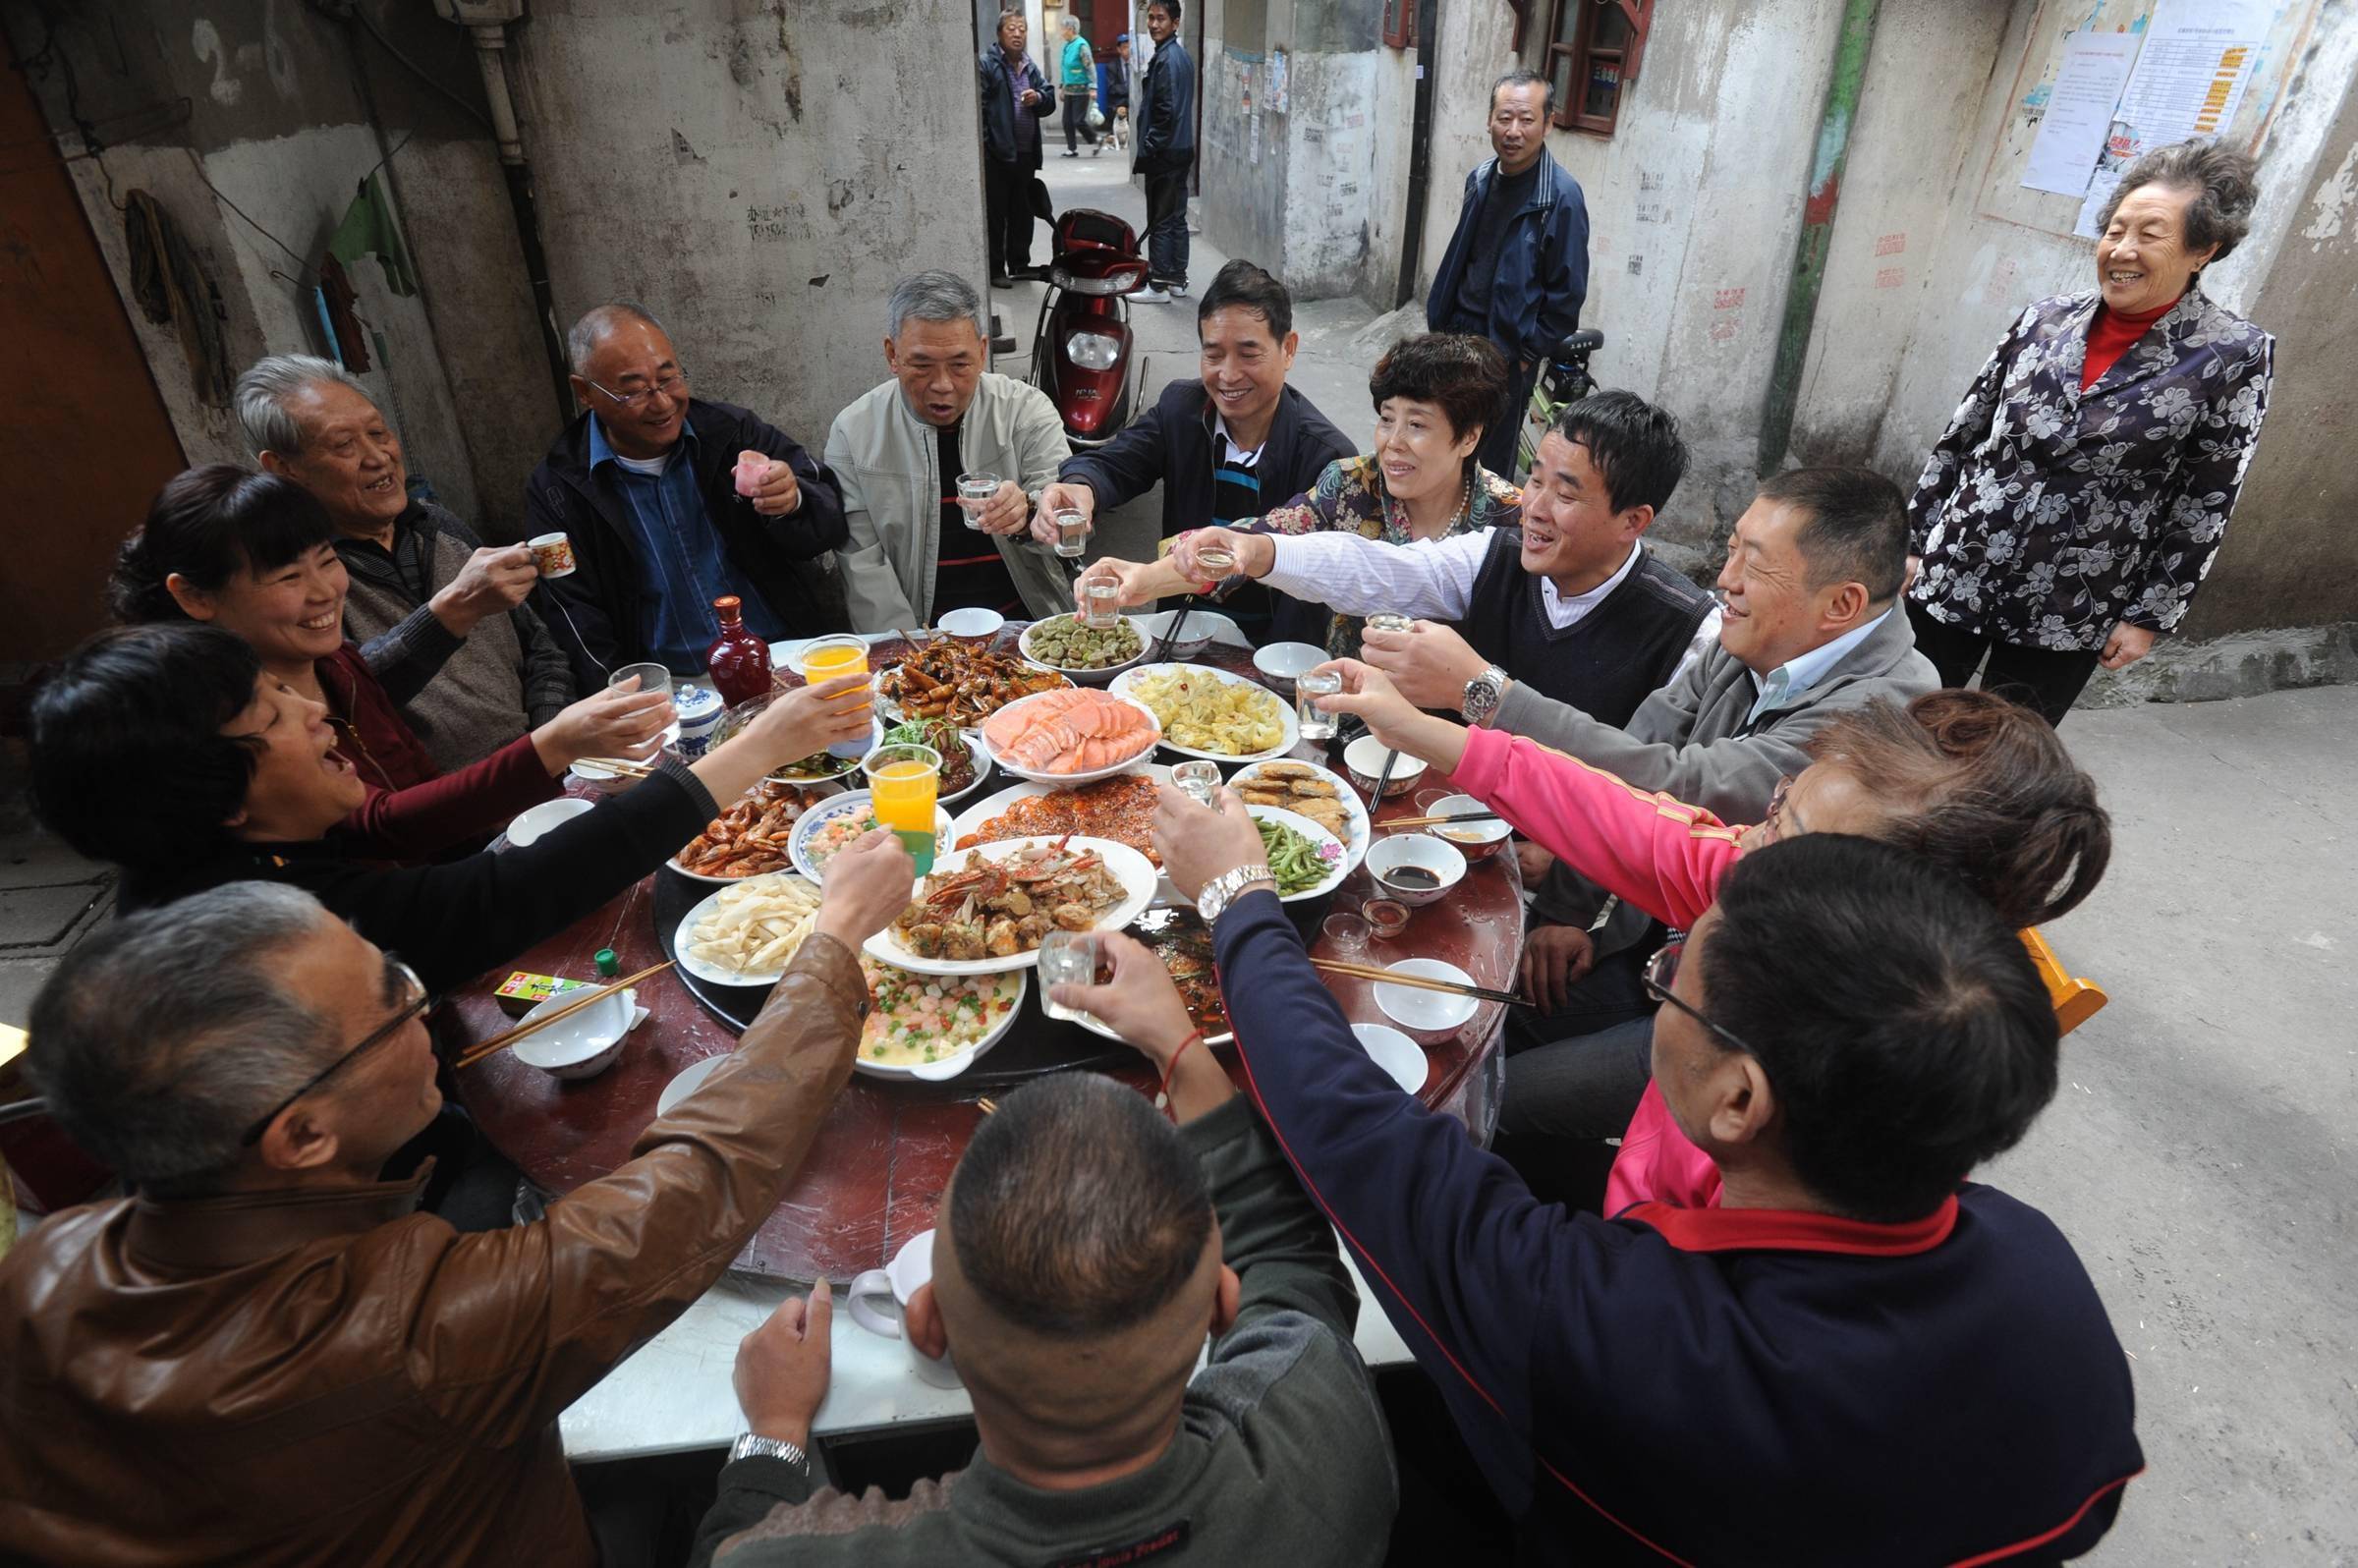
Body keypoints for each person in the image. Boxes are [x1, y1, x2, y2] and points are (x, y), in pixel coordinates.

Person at [1115, 794, 2143, 1562]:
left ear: (1738, 1101)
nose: (1661, 995)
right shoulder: (2047, 1284)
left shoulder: (1610, 1330)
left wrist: (1235, 894)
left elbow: (1351, 1129)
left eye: (1669, 986)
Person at [0, 836, 915, 1567]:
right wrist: (831, 939)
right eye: (395, 1001)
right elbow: (700, 1181)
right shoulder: (411, 1336)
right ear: (302, 1137)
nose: (423, 1002)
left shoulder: (47, 1257)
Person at [1323, 671, 2111, 1209]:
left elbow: (1655, 1289)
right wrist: (1425, 732)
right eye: (1776, 804)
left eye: (1785, 829)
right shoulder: (1772, 887)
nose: (1744, 838)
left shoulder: (1805, 1131)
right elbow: (1632, 823)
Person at [687, 1070, 1394, 1566]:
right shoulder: (1333, 1441)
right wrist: (1175, 1048)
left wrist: (773, 1437)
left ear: (928, 1324)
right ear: (1221, 1309)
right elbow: (1298, 1268)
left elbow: (732, 1547)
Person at [26, 621, 870, 993]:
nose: (316, 712)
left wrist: (554, 744)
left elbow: (394, 824)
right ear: (217, 799)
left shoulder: (222, 849)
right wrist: (758, 748)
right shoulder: (269, 935)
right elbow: (503, 897)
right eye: (275, 715)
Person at [113, 465, 670, 866]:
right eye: (287, 577)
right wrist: (554, 744)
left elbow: (417, 782)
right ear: (195, 597)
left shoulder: (338, 663)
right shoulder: (222, 717)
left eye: (328, 562)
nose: (324, 592)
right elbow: (376, 828)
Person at [1908, 138, 2273, 726]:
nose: (2122, 250)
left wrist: (2150, 615)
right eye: (2115, 230)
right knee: (1906, 722)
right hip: (1960, 560)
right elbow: (1962, 437)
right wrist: (1912, 543)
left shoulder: (2231, 354)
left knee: (2007, 757)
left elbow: (2206, 499)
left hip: (2076, 592)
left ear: (2204, 249)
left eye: (2150, 235)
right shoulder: (2044, 319)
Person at [1127, 391, 1718, 724]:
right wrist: (1257, 549)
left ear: (1633, 521)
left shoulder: (1688, 629)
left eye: (1565, 494)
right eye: (1534, 481)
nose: (1535, 507)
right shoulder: (1495, 554)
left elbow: (1658, 781)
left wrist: (1578, 887)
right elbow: (1375, 568)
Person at [1083, 332, 1521, 658]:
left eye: (1418, 425)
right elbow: (1253, 547)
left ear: (1468, 438)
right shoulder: (1352, 484)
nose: (1393, 442)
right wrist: (1143, 580)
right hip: (1341, 717)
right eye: (1388, 420)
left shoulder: (1510, 521)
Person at [237, 353, 576, 769]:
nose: (378, 457)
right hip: (442, 810)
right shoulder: (299, 585)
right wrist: (455, 609)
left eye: (379, 432)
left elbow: (541, 648)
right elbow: (343, 700)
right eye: (344, 444)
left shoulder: (436, 524)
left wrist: (549, 742)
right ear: (283, 470)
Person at [1029, 260, 1356, 645]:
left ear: (1288, 349)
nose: (1228, 375)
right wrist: (1082, 488)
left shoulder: (1327, 457)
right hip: (1180, 636)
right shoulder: (1182, 410)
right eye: (1213, 354)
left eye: (1249, 354)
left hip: (1274, 652)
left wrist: (1148, 580)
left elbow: (1312, 575)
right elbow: (1116, 462)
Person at [524, 303, 848, 690]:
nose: (662, 403)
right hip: (668, 688)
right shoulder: (559, 488)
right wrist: (624, 700)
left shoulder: (731, 433)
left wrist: (793, 501)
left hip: (780, 659)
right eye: (633, 391)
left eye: (668, 377)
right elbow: (572, 615)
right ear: (585, 393)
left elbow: (827, 525)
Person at [827, 271, 1074, 629]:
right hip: (922, 640)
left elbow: (1071, 527)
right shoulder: (853, 433)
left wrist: (1029, 513)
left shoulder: (1026, 410)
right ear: (892, 355)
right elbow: (865, 571)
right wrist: (909, 658)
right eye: (922, 365)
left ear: (983, 352)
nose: (942, 385)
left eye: (960, 365)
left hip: (1030, 626)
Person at [1426, 70, 1590, 481]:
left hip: (1505, 349)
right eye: (1504, 117)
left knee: (1486, 466)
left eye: (1527, 119)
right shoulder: (1480, 179)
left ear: (1548, 123)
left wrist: (1525, 356)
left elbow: (1566, 296)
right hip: (1455, 334)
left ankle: (1481, 542)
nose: (1513, 131)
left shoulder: (1561, 198)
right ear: (1489, 121)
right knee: (1441, 443)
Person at [980, 9, 1055, 287]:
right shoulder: (987, 64)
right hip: (998, 155)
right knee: (997, 214)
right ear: (1000, 33)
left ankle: (1019, 264)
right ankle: (996, 269)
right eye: (1011, 28)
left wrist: (1038, 97)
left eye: (1022, 29)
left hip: (1025, 154)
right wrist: (990, 144)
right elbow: (981, 109)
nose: (1017, 33)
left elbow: (1049, 99)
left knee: (1022, 213)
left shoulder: (1029, 66)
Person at [1132, 0, 1196, 303]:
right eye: (1151, 18)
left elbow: (1165, 111)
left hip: (1166, 152)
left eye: (1161, 19)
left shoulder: (1168, 59)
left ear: (1175, 23)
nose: (1154, 24)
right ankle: (1177, 279)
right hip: (1180, 148)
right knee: (1175, 216)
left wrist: (1149, 146)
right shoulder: (1179, 56)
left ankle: (1158, 284)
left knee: (1161, 219)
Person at [1056, 17, 1098, 157]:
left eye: (1063, 29)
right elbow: (1065, 68)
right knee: (1067, 121)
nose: (1061, 32)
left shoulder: (1081, 46)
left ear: (1070, 29)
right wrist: (1062, 86)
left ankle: (1096, 139)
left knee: (1078, 120)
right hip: (1069, 89)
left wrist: (1093, 87)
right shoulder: (1067, 46)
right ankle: (1071, 148)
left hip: (1081, 89)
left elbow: (1090, 67)